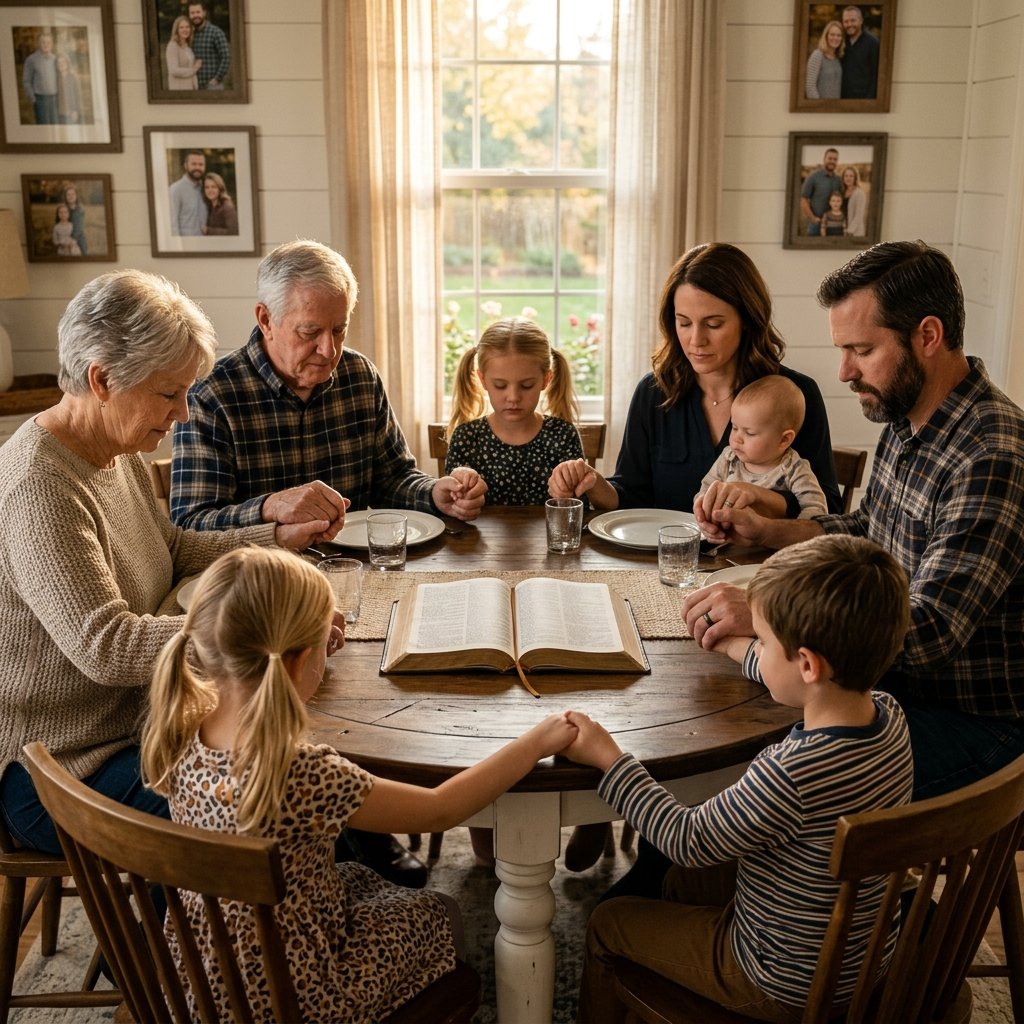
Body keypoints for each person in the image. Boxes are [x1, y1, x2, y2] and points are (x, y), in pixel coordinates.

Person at [140, 545, 578, 1022]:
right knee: (443, 914)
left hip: (210, 976)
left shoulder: (180, 729)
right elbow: (439, 810)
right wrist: (536, 740)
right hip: (298, 995)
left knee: (364, 878)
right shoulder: (302, 772)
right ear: (299, 659)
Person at [171, 239, 487, 884]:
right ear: (264, 319)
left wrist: (436, 492)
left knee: (426, 683)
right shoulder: (212, 397)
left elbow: (395, 477)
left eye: (339, 330)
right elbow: (188, 528)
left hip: (369, 586)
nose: (328, 351)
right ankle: (353, 837)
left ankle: (360, 822)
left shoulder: (360, 377)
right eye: (310, 332)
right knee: (319, 700)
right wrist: (268, 512)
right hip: (268, 614)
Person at [0, 269, 327, 859]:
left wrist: (277, 537)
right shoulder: (38, 484)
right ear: (102, 380)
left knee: (297, 769)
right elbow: (106, 645)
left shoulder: (111, 449)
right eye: (168, 392)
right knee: (273, 811)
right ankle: (200, 945)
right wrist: (262, 634)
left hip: (146, 725)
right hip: (63, 767)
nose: (182, 413)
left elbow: (170, 551)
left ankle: (352, 874)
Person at [685, 241, 1024, 802]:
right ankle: (674, 881)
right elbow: (869, 529)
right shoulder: (909, 413)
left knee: (750, 753)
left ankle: (687, 880)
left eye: (861, 350)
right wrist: (773, 534)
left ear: (928, 336)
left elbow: (928, 634)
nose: (843, 371)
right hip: (886, 690)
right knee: (722, 707)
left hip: (974, 728)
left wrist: (768, 614)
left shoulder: (991, 455)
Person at [565, 535, 912, 1022]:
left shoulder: (789, 772)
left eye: (764, 641)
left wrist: (611, 760)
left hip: (780, 981)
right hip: (858, 956)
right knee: (682, 884)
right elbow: (793, 674)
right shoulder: (890, 718)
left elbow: (686, 838)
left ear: (808, 663)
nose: (758, 648)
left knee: (608, 921)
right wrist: (735, 647)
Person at [548, 242, 841, 517]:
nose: (696, 340)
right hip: (663, 566)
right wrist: (593, 483)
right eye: (684, 323)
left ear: (748, 321)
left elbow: (826, 510)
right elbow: (633, 497)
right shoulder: (653, 393)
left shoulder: (795, 395)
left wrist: (755, 496)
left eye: (714, 324)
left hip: (757, 567)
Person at [446, 317, 583, 504]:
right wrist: (460, 496)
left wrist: (569, 494)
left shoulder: (562, 435)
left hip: (547, 534)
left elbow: (577, 506)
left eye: (526, 385)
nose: (513, 397)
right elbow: (453, 506)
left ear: (546, 379)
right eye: (500, 385)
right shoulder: (466, 437)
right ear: (483, 379)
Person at [694, 375, 827, 523]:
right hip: (725, 538)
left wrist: (792, 531)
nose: (737, 438)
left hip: (771, 542)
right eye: (734, 427)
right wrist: (703, 511)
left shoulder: (793, 469)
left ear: (784, 439)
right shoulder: (729, 457)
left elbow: (816, 508)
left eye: (749, 433)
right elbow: (707, 488)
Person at [799, 148, 842, 237]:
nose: (832, 161)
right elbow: (803, 199)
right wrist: (812, 218)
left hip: (834, 224)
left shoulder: (838, 179)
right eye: (830, 158)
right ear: (824, 159)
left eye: (835, 159)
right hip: (816, 224)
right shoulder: (813, 177)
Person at [840, 5, 880, 100]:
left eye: (853, 20)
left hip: (863, 100)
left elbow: (876, 75)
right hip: (841, 100)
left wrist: (868, 100)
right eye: (846, 21)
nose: (849, 24)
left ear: (861, 21)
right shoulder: (840, 41)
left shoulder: (873, 43)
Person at [188, 1, 229, 90]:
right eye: (192, 13)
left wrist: (216, 79)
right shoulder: (189, 34)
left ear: (204, 13)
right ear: (189, 15)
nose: (195, 15)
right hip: (194, 85)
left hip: (212, 86)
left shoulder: (216, 32)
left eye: (198, 12)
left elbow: (226, 57)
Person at [168, 149, 208, 237]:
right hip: (186, 246)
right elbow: (172, 224)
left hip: (205, 245)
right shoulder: (175, 189)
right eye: (193, 164)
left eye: (201, 164)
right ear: (185, 166)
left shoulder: (207, 188)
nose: (197, 167)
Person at [21, 31, 58, 125]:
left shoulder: (56, 59)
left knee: (56, 126)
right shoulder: (31, 60)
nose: (46, 45)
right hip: (40, 99)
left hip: (55, 98)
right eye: (43, 42)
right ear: (38, 43)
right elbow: (26, 81)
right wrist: (33, 99)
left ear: (52, 44)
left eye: (48, 42)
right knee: (43, 126)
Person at [804, 20, 843, 100]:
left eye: (839, 35)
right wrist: (820, 108)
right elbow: (810, 87)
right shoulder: (817, 55)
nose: (835, 38)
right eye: (832, 35)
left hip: (835, 109)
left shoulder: (838, 58)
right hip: (821, 109)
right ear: (826, 36)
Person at [165, 14, 200, 91]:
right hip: (179, 90)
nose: (185, 29)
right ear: (176, 30)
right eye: (181, 27)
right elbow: (173, 70)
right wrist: (194, 69)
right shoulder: (173, 46)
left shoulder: (187, 46)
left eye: (187, 27)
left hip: (190, 88)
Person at [201, 171, 238, 235]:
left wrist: (208, 230)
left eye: (213, 187)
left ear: (220, 188)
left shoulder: (227, 207)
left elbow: (233, 232)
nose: (210, 190)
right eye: (207, 187)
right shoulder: (208, 205)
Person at [55, 53, 83, 124]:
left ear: (67, 63)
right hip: (59, 113)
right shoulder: (56, 78)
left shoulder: (73, 77)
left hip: (71, 113)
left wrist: (76, 110)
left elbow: (78, 95)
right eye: (59, 62)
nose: (61, 64)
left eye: (63, 62)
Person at [63, 183, 88, 256]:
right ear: (65, 196)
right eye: (68, 194)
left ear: (76, 196)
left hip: (78, 240)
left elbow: (79, 227)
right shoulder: (63, 209)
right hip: (65, 239)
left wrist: (72, 241)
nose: (70, 197)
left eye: (73, 194)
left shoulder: (80, 210)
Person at [842, 165, 867, 237]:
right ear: (843, 178)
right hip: (843, 229)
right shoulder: (842, 192)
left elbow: (859, 215)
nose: (848, 178)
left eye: (851, 176)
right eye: (846, 176)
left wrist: (850, 230)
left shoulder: (859, 193)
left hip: (855, 232)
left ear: (855, 178)